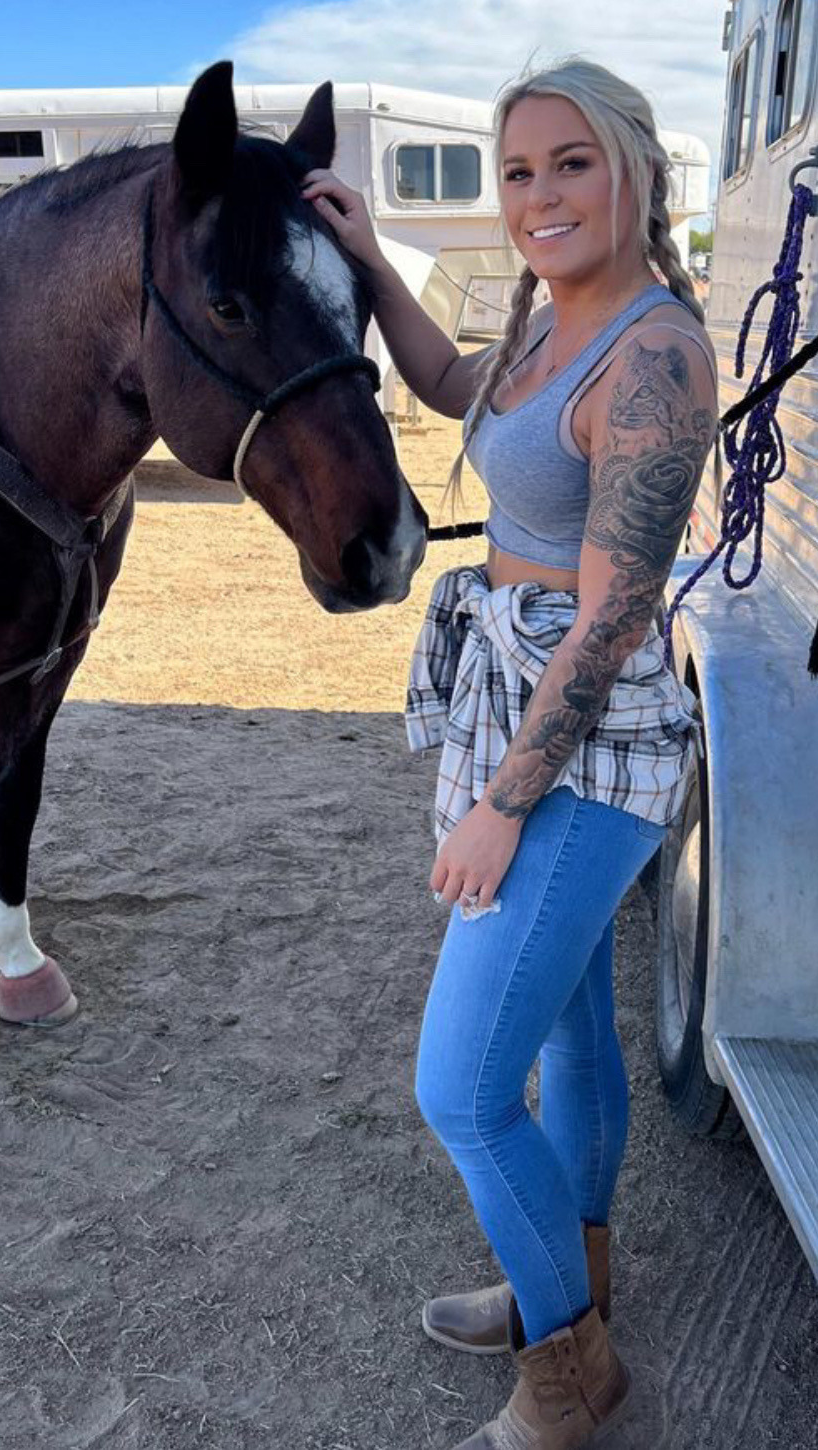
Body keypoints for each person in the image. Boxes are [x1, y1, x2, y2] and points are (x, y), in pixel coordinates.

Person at [302, 57, 718, 1449]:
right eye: (519, 170)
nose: (541, 195)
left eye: (571, 163)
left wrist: (497, 802)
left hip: (586, 745)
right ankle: (571, 1291)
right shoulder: (548, 324)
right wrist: (370, 259)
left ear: (636, 171)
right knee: (570, 1031)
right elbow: (444, 381)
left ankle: (566, 1380)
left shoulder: (651, 354)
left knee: (463, 1089)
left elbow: (612, 621)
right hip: (526, 705)